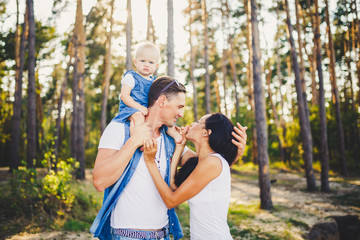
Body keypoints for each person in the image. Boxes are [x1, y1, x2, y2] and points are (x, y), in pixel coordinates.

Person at [90, 76, 188, 240]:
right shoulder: (119, 129)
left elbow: (205, 163)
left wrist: (234, 151)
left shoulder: (171, 138)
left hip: (162, 235)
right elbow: (99, 181)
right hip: (125, 235)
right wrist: (134, 141)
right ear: (162, 101)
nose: (181, 113)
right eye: (179, 106)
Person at [143, 113, 247, 240]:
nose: (192, 124)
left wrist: (150, 162)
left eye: (199, 122)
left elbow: (171, 201)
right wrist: (179, 146)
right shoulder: (201, 162)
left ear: (205, 133)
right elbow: (173, 186)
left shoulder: (212, 163)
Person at [114, 41, 181, 142]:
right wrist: (139, 107)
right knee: (138, 117)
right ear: (135, 62)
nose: (146, 65)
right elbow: (124, 96)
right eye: (142, 61)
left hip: (147, 109)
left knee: (163, 117)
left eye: (151, 62)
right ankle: (139, 141)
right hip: (131, 109)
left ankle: (175, 136)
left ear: (156, 66)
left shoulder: (154, 81)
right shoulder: (131, 77)